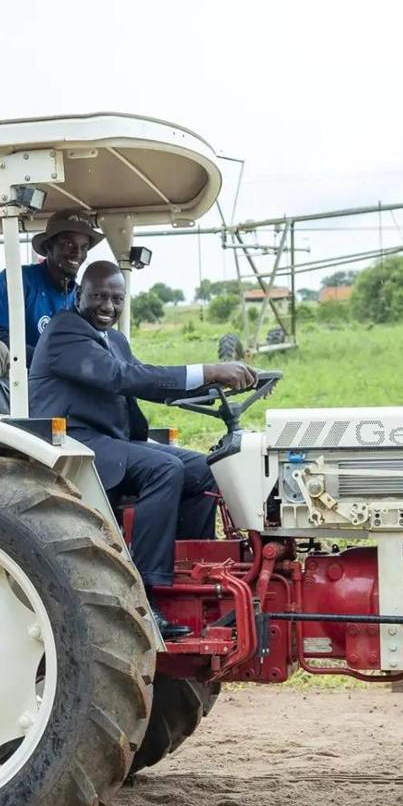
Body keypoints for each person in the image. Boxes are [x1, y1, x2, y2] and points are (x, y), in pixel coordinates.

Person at [29, 260, 256, 638]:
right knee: (163, 469)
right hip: (76, 441)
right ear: (79, 294)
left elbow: (143, 382)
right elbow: (123, 377)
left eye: (116, 299)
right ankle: (147, 595)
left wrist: (215, 386)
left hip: (112, 441)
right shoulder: (64, 331)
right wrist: (209, 370)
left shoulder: (114, 340)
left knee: (206, 469)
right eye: (98, 296)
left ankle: (194, 573)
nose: (108, 306)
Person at [0, 210, 99, 411]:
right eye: (68, 243)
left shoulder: (81, 297)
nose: (77, 252)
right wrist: (47, 360)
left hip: (60, 382)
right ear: (49, 246)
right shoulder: (16, 280)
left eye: (83, 247)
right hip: (19, 373)